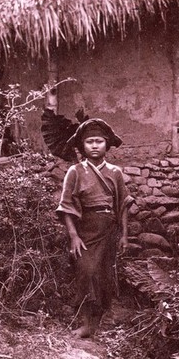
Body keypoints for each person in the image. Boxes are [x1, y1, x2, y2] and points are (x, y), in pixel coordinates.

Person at [55, 118, 134, 338]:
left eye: (99, 141)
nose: (94, 145)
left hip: (108, 229)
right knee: (86, 271)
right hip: (84, 229)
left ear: (107, 144)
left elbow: (123, 205)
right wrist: (73, 236)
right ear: (82, 146)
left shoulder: (115, 172)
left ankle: (95, 324)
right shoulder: (75, 171)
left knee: (103, 275)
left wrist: (124, 235)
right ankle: (85, 322)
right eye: (89, 141)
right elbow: (66, 206)